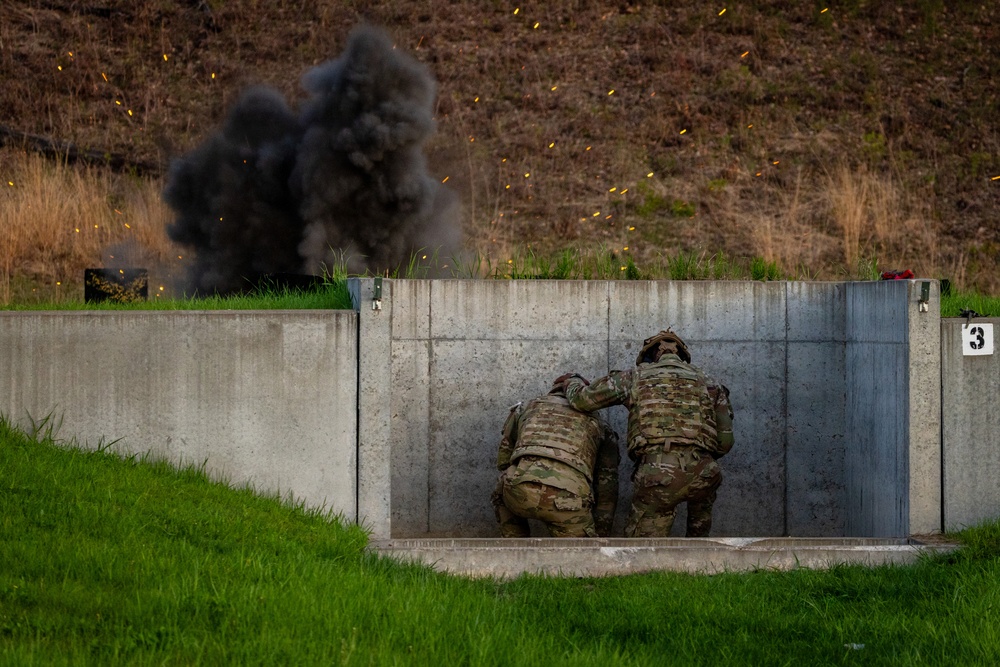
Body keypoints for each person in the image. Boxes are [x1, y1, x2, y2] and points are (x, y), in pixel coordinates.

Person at [562, 330, 734, 538]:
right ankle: (701, 561)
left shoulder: (636, 375)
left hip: (660, 474)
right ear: (682, 356)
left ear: (650, 355)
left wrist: (572, 382)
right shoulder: (710, 383)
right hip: (706, 473)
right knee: (699, 540)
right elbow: (725, 443)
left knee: (642, 550)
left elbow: (582, 401)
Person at [491, 376, 620, 537]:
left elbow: (504, 461)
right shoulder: (601, 424)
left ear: (553, 390)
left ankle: (515, 546)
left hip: (519, 493)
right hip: (568, 501)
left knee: (501, 486)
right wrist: (599, 536)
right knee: (578, 557)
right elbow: (607, 488)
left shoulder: (526, 408)